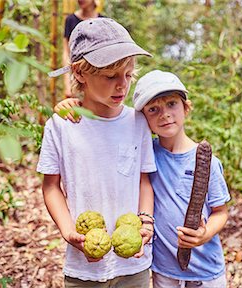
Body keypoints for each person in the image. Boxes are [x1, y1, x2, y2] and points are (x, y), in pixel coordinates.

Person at [55, 70, 231, 288]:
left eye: (172, 104)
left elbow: (220, 212)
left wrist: (204, 235)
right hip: (162, 269)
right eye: (153, 109)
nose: (164, 114)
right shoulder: (144, 153)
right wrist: (73, 104)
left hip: (205, 269)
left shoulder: (206, 160)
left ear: (186, 107)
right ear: (143, 118)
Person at [38, 18, 156, 287]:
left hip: (134, 264)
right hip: (84, 267)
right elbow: (51, 187)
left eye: (127, 75)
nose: (122, 85)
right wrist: (68, 231)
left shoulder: (138, 122)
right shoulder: (60, 126)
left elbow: (143, 179)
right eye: (110, 76)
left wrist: (146, 222)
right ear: (80, 73)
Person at [63, 0, 104, 98]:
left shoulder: (103, 22)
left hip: (97, 77)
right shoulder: (71, 20)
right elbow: (66, 52)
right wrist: (67, 84)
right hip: (77, 76)